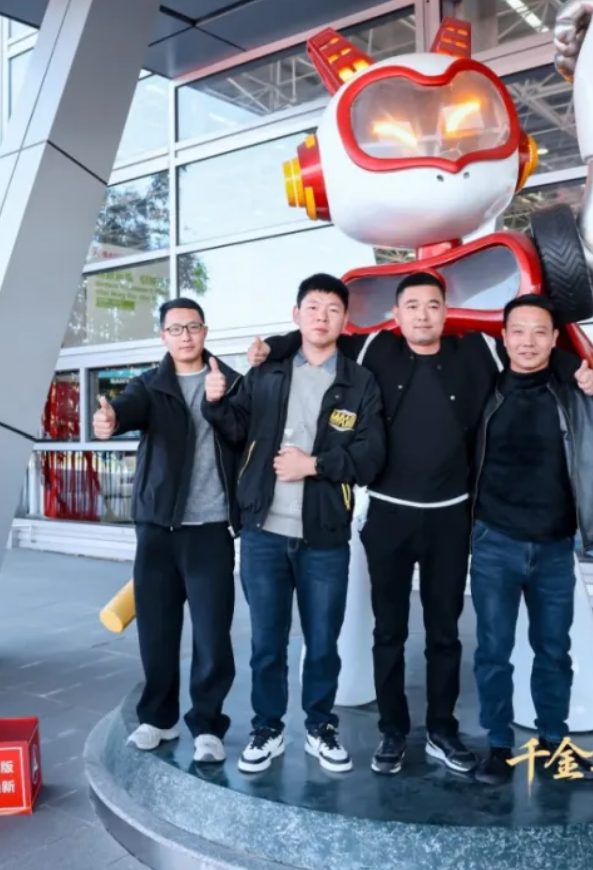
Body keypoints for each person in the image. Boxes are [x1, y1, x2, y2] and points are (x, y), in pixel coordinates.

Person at [248, 272, 593, 776]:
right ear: (397, 314)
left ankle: (441, 730)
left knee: (445, 634)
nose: (422, 315)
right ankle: (392, 732)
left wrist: (576, 369)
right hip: (387, 516)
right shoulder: (375, 348)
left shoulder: (477, 349)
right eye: (411, 306)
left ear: (445, 312)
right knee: (388, 632)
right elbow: (318, 335)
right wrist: (272, 347)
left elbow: (533, 356)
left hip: (451, 519)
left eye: (432, 305)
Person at [470, 294, 593, 786]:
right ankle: (498, 746)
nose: (528, 341)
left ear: (555, 339)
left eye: (540, 332)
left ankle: (554, 744)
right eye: (518, 331)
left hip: (555, 547)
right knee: (493, 651)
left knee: (554, 651)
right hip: (494, 542)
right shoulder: (482, 389)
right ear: (504, 337)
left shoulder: (578, 392)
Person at [203, 273, 385, 774]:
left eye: (333, 309)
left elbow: (371, 456)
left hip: (324, 536)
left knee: (323, 643)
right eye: (313, 307)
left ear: (345, 320)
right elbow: (236, 429)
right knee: (267, 643)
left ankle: (320, 726)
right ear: (296, 315)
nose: (322, 317)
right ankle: (268, 728)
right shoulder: (268, 371)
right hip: (263, 532)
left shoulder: (359, 382)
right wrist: (215, 401)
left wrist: (315, 465)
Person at [93, 298, 243, 764]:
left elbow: (243, 435)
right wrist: (111, 419)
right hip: (158, 528)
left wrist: (219, 402)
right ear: (163, 336)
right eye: (175, 329)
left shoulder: (231, 381)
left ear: (205, 330)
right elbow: (127, 409)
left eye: (192, 327)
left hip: (211, 529)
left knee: (212, 636)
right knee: (157, 631)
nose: (185, 336)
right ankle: (158, 718)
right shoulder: (150, 384)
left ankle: (208, 725)